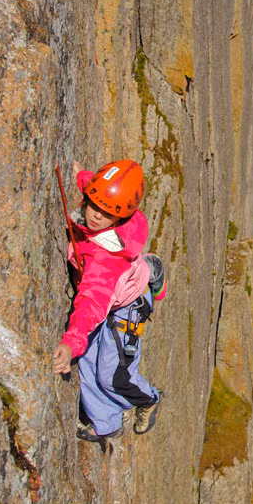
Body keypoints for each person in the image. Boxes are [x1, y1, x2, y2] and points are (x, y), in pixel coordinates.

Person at [53, 159, 166, 442]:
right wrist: (80, 172)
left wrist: (69, 343)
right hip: (116, 294)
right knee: (88, 358)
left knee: (112, 374)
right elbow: (94, 187)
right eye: (94, 205)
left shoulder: (105, 260)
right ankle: (105, 423)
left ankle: (148, 398)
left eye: (107, 213)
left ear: (119, 217)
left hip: (128, 305)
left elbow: (91, 303)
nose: (96, 216)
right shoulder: (106, 201)